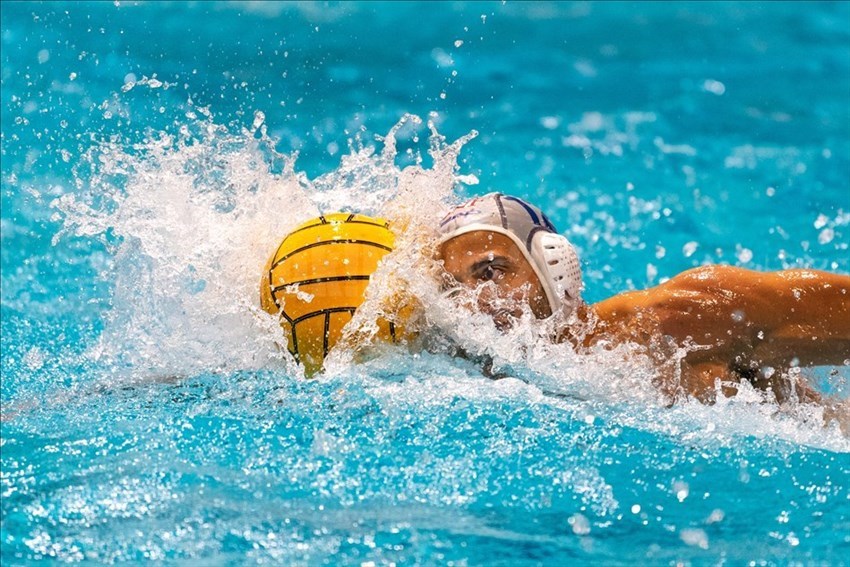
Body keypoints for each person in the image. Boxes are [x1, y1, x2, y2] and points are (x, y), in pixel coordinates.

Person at [436, 193, 850, 409]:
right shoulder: (459, 369)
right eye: (453, 290)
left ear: (551, 265)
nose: (476, 301)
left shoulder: (679, 321)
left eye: (493, 272)